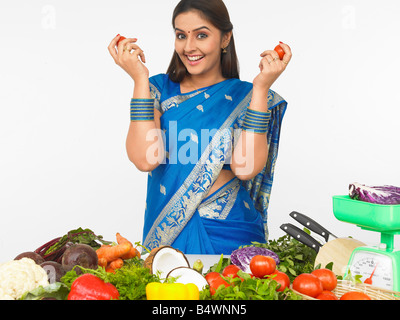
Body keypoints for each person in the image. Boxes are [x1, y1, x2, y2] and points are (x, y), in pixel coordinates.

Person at [108, 0, 292, 254]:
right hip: (171, 235)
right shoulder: (158, 90)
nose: (189, 46)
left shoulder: (246, 96)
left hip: (231, 229)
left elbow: (246, 167)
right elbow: (145, 159)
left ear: (225, 38)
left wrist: (261, 88)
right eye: (181, 35)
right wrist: (139, 79)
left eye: (202, 35)